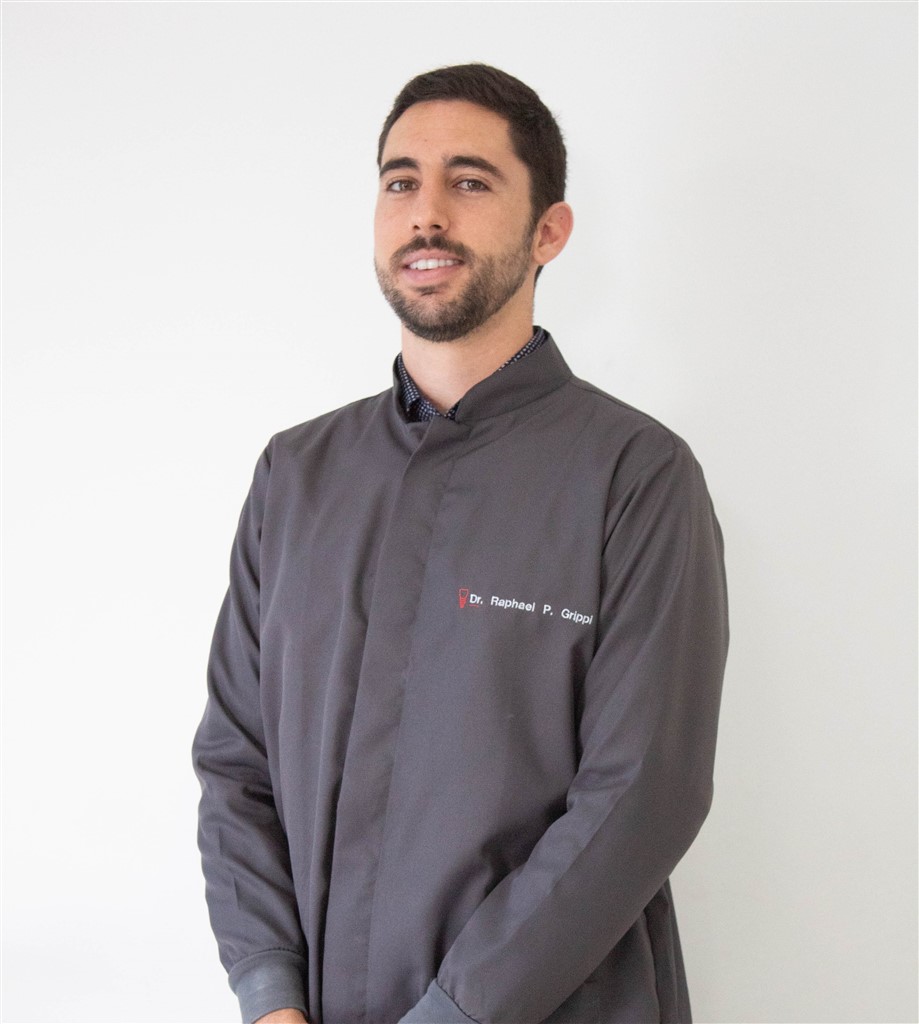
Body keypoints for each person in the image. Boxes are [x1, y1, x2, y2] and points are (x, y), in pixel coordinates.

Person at [193, 63, 728, 1024]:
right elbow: (237, 763)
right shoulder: (296, 475)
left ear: (548, 231)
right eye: (400, 181)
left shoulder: (636, 475)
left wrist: (456, 1011)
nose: (425, 213)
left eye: (470, 181)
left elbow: (643, 795)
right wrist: (269, 994)